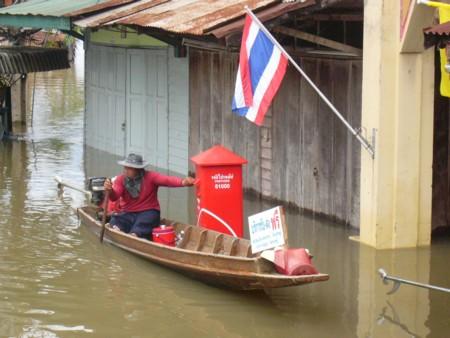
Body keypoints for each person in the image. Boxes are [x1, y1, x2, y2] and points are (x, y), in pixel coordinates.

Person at [103, 153, 195, 239]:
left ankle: (134, 235)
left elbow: (167, 180)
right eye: (125, 168)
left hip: (148, 211)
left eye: (129, 168)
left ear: (138, 169)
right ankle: (119, 231)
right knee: (117, 220)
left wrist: (183, 182)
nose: (126, 171)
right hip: (128, 212)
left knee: (145, 221)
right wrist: (110, 190)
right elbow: (114, 197)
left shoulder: (150, 177)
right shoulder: (120, 179)